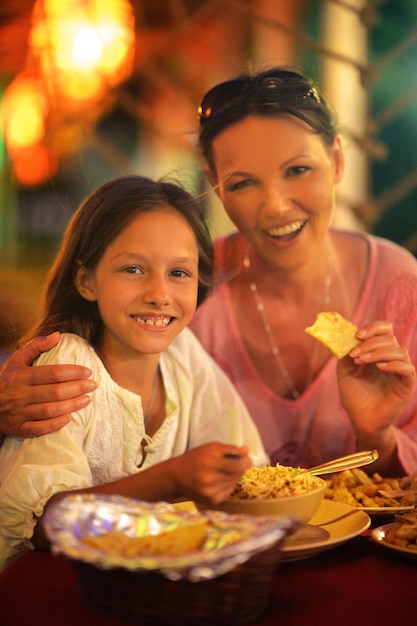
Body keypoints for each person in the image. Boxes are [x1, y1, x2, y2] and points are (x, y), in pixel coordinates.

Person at [1, 66, 417, 476]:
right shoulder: (180, 290)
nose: (275, 205)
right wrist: (14, 404)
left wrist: (377, 435)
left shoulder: (397, 284)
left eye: (298, 170)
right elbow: (92, 416)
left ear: (338, 160)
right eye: (243, 183)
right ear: (214, 184)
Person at [0, 175, 267, 571]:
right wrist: (171, 480)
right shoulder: (69, 364)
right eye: (132, 269)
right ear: (86, 280)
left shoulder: (183, 354)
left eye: (179, 273)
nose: (159, 294)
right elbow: (43, 525)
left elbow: (250, 470)